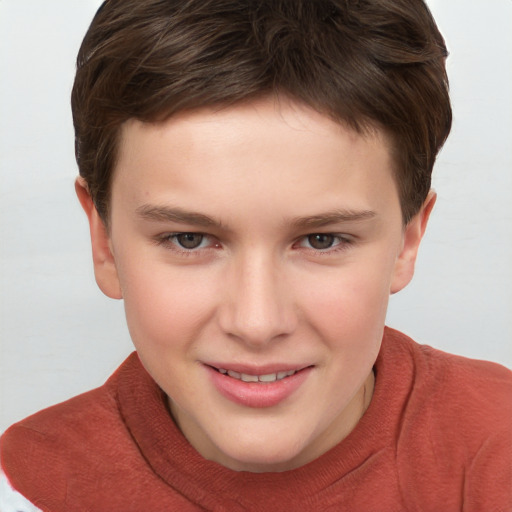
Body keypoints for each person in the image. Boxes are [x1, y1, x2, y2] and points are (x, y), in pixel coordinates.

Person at [1, 0, 510, 510]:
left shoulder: (497, 444)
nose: (257, 323)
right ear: (104, 242)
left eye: (321, 240)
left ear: (407, 241)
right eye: (189, 239)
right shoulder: (24, 489)